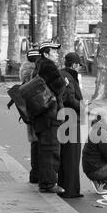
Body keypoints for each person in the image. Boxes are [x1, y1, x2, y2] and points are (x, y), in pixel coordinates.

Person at [29, 41, 66, 194]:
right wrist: (65, 81)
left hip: (40, 114)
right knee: (51, 149)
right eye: (54, 52)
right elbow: (59, 86)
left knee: (43, 149)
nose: (57, 55)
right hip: (50, 114)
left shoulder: (38, 66)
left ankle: (43, 180)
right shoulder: (48, 66)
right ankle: (48, 183)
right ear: (46, 54)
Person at [57, 52, 84, 198]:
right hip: (71, 120)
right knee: (72, 155)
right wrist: (83, 106)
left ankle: (64, 185)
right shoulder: (69, 77)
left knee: (66, 154)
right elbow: (70, 99)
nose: (79, 68)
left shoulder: (62, 74)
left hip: (64, 119)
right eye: (79, 65)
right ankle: (70, 189)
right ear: (74, 64)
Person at [19, 47, 41, 183]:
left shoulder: (25, 72)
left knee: (34, 142)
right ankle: (37, 173)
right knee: (38, 143)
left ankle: (34, 174)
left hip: (29, 109)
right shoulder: (35, 72)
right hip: (37, 108)